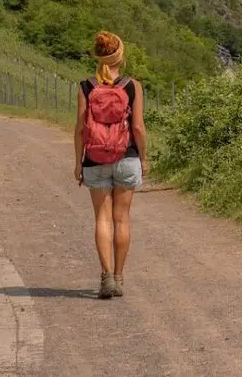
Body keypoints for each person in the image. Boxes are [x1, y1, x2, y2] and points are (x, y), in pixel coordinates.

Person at [73, 31, 148, 299]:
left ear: (98, 56)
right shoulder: (132, 86)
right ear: (121, 56)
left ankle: (105, 277)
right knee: (122, 219)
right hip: (126, 157)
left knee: (102, 219)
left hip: (95, 158)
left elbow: (81, 128)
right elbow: (137, 127)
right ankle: (118, 277)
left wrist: (78, 163)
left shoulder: (86, 86)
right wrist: (143, 158)